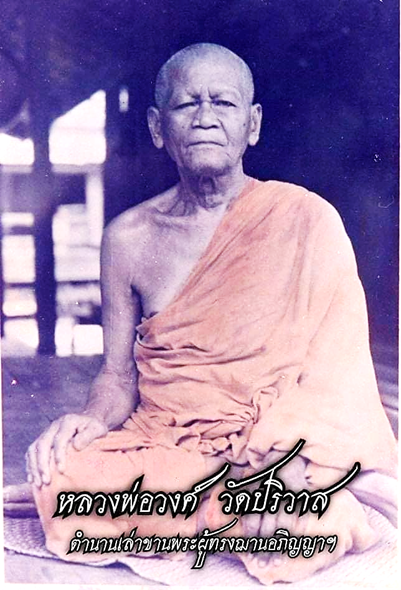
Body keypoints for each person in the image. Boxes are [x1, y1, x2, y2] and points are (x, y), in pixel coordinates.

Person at [5, 43, 397, 584]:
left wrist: (290, 458)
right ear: (157, 127)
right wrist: (91, 420)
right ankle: (240, 516)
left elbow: (337, 374)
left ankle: (239, 508)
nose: (206, 117)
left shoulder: (308, 220)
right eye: (187, 103)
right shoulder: (127, 238)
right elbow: (117, 375)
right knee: (62, 483)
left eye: (224, 103)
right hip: (166, 441)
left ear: (252, 125)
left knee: (294, 503)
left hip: (269, 444)